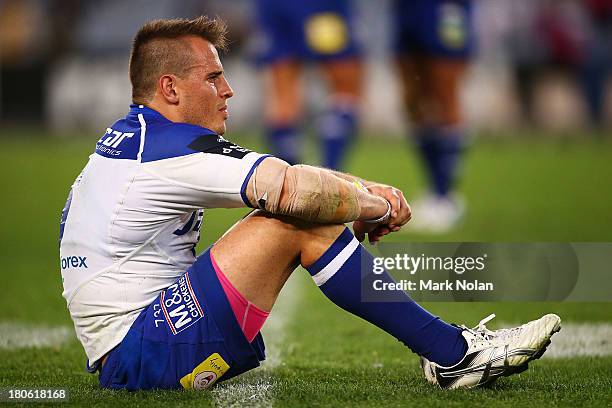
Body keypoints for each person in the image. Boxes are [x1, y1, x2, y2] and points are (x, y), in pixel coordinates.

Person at [59, 16, 560, 391]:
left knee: (297, 212)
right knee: (294, 222)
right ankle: (454, 355)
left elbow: (288, 180)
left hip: (141, 343)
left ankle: (450, 353)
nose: (228, 90)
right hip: (141, 355)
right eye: (212, 77)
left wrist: (362, 193)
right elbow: (291, 190)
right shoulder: (168, 149)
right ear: (169, 87)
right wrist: (374, 206)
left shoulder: (145, 139)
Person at [393, 0, 474, 233]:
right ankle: (433, 191)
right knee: (413, 98)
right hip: (406, 9)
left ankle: (445, 195)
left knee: (445, 92)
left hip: (444, 8)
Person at [252, 0, 363, 169]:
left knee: (283, 93)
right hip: (320, 6)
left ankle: (291, 186)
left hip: (275, 5)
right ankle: (329, 177)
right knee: (344, 86)